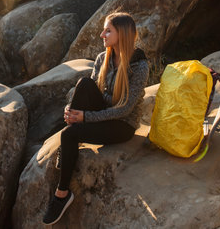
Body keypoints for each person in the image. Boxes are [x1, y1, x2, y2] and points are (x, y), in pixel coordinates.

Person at [42, 12, 149, 225]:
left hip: (122, 125)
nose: (102, 34)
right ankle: (69, 129)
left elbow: (124, 110)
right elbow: (90, 92)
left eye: (108, 30)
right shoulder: (103, 58)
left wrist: (85, 117)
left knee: (70, 134)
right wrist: (71, 110)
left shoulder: (139, 66)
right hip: (102, 114)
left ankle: (62, 195)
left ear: (124, 34)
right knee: (84, 84)